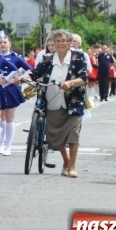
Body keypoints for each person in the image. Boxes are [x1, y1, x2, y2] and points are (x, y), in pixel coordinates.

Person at [26, 29, 88, 178]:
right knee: (54, 134)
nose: (60, 44)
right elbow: (35, 72)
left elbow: (84, 77)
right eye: (57, 41)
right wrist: (24, 77)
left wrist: (70, 83)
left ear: (69, 43)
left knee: (73, 134)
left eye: (63, 41)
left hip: (73, 100)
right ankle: (66, 160)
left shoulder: (78, 57)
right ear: (53, 43)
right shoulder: (47, 59)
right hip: (52, 100)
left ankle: (72, 166)